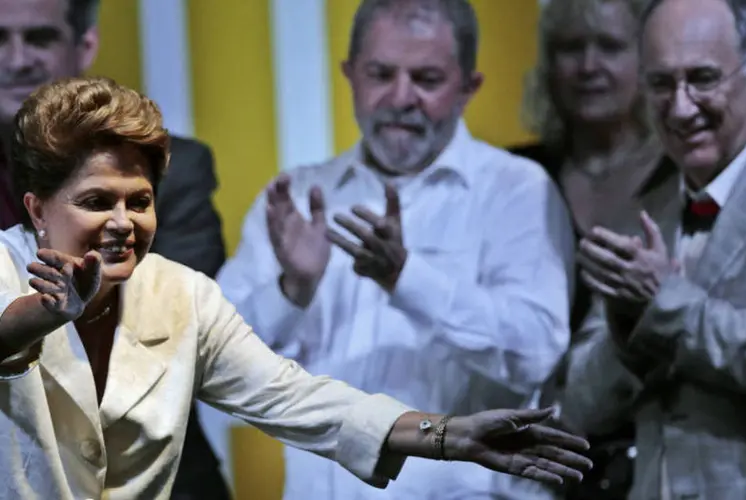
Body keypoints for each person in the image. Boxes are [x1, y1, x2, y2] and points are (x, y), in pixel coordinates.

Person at [0, 75, 592, 499]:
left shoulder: (182, 295)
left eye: (141, 201)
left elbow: (295, 398)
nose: (125, 222)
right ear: (37, 208)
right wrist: (41, 317)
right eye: (97, 202)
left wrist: (451, 434)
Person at [217, 0, 576, 498]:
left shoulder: (516, 191)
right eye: (381, 74)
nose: (401, 97)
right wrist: (292, 289)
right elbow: (214, 364)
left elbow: (537, 352)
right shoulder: (297, 198)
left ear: (469, 87)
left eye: (426, 78)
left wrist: (406, 277)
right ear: (350, 75)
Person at [0, 1, 229, 496]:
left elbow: (170, 318)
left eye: (38, 38)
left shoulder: (176, 167)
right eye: (0, 39)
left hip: (158, 471)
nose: (16, 59)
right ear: (35, 208)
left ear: (84, 45)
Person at [570, 0, 746, 498]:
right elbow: (581, 408)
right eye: (661, 83)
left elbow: (668, 306)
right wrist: (624, 329)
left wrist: (665, 304)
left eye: (703, 78)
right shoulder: (640, 214)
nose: (680, 106)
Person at [509, 0, 673, 498]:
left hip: (656, 461)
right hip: (528, 466)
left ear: (646, 59)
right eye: (570, 48)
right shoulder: (516, 178)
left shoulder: (686, 172)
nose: (588, 66)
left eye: (609, 46)